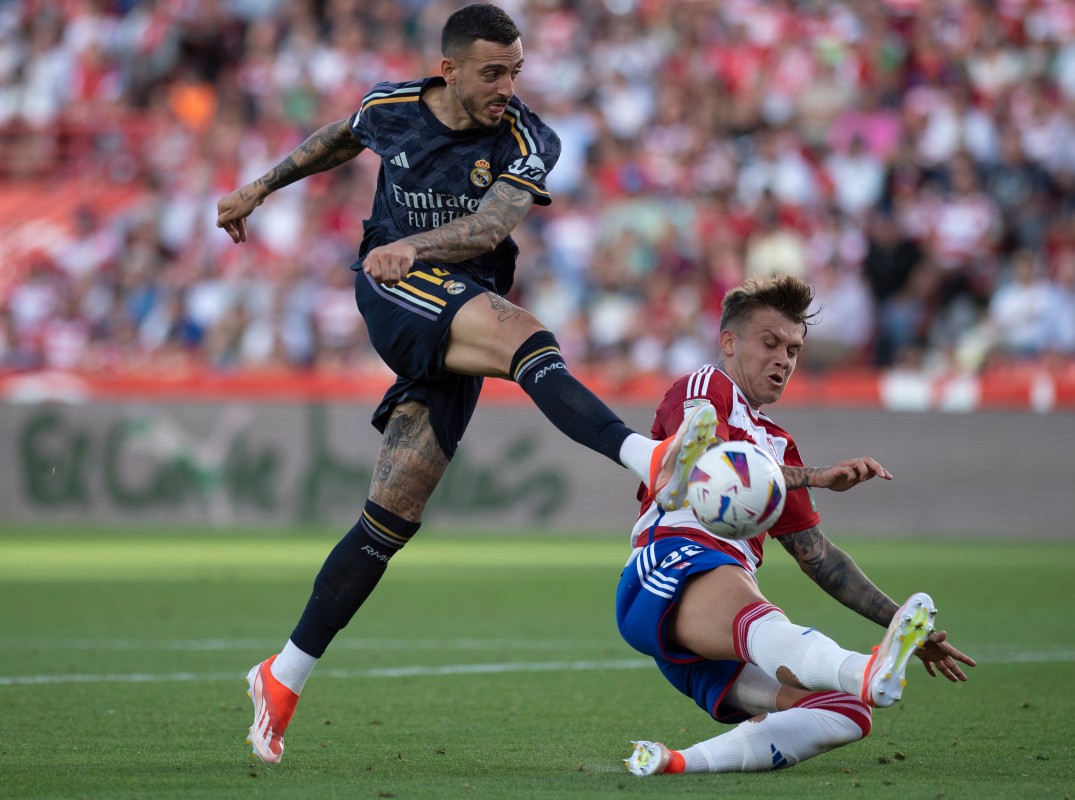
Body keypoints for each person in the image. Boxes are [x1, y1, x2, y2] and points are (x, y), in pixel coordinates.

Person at [215, 4, 719, 764]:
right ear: (447, 69)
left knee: (394, 513)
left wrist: (414, 245)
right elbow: (340, 139)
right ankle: (648, 459)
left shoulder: (526, 137)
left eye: (516, 70)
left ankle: (281, 676)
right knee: (525, 335)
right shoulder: (394, 107)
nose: (507, 87)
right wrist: (258, 188)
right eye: (492, 72)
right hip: (396, 295)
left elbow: (488, 228)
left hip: (453, 297)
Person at [616, 275, 975, 776]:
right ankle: (861, 670)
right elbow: (708, 463)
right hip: (670, 565)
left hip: (709, 618)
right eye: (770, 343)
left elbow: (821, 559)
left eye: (794, 348)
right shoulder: (706, 386)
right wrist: (816, 477)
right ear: (728, 342)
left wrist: (902, 625)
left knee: (845, 713)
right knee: (766, 623)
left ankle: (675, 762)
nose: (784, 359)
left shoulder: (777, 443)